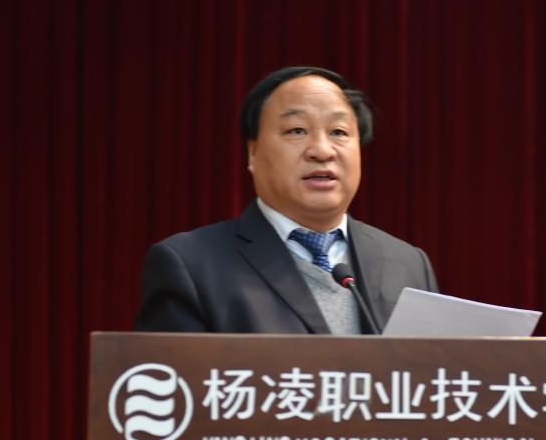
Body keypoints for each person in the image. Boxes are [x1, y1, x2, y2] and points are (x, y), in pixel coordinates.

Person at [135, 66, 438, 334]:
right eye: (297, 130)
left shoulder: (408, 263)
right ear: (253, 152)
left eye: (339, 131)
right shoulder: (191, 265)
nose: (322, 150)